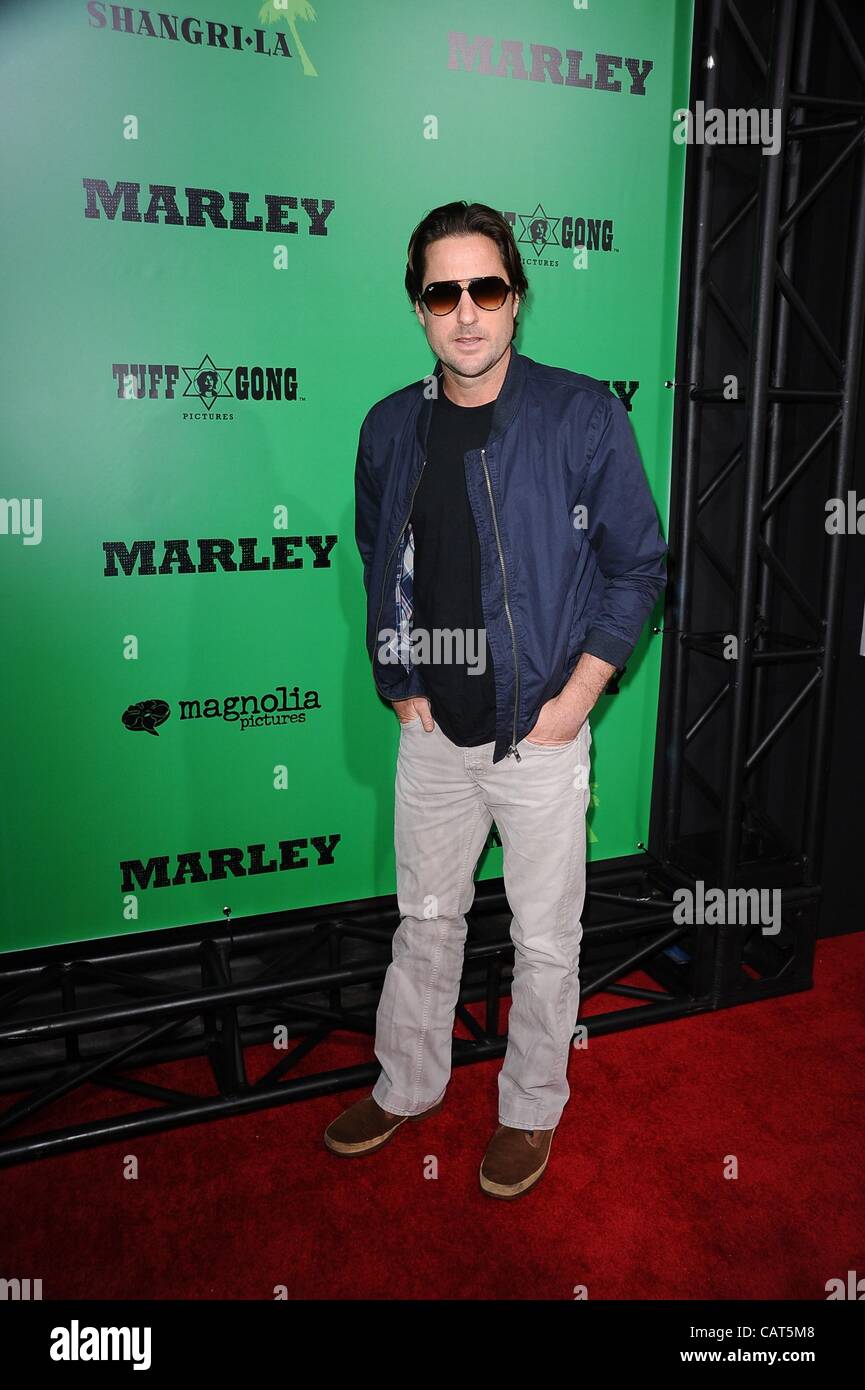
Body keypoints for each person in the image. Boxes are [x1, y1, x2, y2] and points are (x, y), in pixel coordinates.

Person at [325, 200, 667, 1199]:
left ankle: (529, 1110)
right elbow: (374, 557)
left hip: (542, 736)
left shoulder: (580, 414)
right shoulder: (389, 426)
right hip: (434, 735)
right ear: (419, 307)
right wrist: (402, 679)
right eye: (443, 292)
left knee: (544, 940)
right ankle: (407, 1084)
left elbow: (636, 567)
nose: (464, 312)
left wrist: (578, 698)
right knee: (425, 921)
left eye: (485, 289)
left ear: (515, 298)